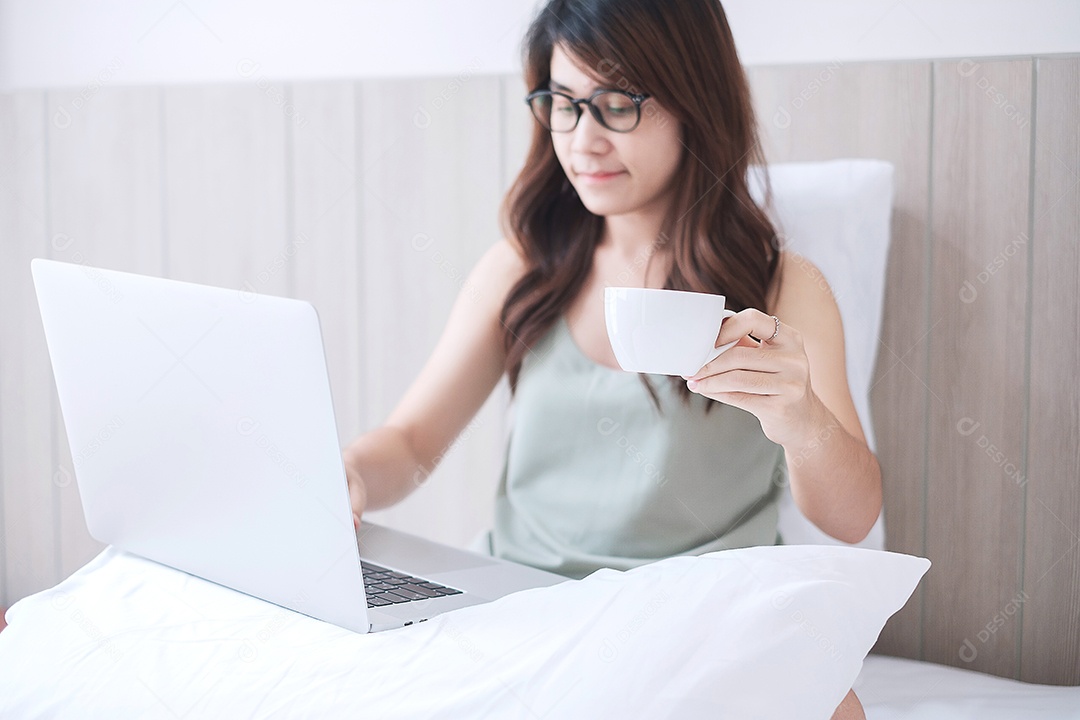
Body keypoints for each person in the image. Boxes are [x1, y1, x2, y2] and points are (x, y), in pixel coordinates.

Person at [343, 0, 881, 716]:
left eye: (617, 104)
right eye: (562, 105)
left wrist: (802, 419)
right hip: (522, 611)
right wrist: (345, 477)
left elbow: (852, 519)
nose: (583, 140)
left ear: (695, 101)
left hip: (697, 623)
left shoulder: (784, 289)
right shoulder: (525, 268)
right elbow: (411, 443)